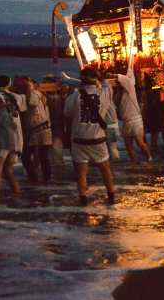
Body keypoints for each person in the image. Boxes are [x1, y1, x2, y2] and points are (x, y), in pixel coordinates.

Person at [63, 67, 116, 206]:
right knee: (105, 169)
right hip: (97, 139)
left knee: (81, 172)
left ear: (81, 81)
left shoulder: (74, 96)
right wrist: (101, 77)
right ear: (96, 80)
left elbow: (66, 113)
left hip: (79, 139)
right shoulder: (104, 93)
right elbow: (106, 85)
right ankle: (111, 197)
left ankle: (83, 200)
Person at [0, 75, 27, 198]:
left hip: (2, 137)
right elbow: (23, 108)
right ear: (9, 84)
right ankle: (17, 193)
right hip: (17, 138)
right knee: (8, 171)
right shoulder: (18, 97)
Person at [113, 58, 152, 163]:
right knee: (128, 143)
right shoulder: (120, 93)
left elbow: (126, 80)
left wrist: (114, 76)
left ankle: (149, 158)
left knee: (139, 142)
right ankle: (134, 161)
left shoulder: (130, 89)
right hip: (127, 120)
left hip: (135, 119)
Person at [19, 76, 53, 183]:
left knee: (41, 156)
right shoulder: (24, 96)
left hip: (42, 128)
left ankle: (44, 179)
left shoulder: (35, 94)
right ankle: (36, 178)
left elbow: (30, 102)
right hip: (35, 129)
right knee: (27, 157)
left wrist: (28, 87)